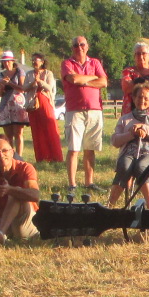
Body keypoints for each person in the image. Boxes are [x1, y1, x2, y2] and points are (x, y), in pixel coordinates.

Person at [61, 35, 108, 191]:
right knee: (74, 149)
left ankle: (89, 183)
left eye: (82, 44)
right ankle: (72, 185)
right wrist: (93, 78)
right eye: (76, 45)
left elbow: (104, 82)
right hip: (75, 111)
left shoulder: (95, 62)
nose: (79, 47)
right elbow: (73, 79)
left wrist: (84, 81)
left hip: (94, 110)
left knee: (90, 148)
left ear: (87, 46)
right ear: (72, 48)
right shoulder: (67, 63)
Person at [109, 82, 149, 208]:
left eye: (146, 98)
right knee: (124, 166)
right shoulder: (125, 119)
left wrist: (145, 128)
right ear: (134, 98)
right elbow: (115, 141)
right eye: (139, 97)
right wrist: (131, 134)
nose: (142, 100)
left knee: (141, 167)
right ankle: (110, 206)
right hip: (129, 153)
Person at [25, 52, 63, 163]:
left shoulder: (48, 73)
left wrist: (40, 81)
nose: (34, 62)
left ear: (42, 62)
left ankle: (55, 156)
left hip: (45, 102)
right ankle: (41, 157)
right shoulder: (29, 74)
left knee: (50, 128)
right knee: (37, 130)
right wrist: (33, 83)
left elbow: (50, 88)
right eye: (32, 60)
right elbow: (24, 87)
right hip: (33, 104)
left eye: (36, 60)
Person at [0, 51, 28, 158]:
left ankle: (19, 157)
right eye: (4, 62)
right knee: (8, 136)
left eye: (8, 61)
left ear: (13, 61)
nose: (6, 63)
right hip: (5, 105)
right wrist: (2, 85)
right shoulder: (0, 75)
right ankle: (10, 156)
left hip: (18, 105)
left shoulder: (19, 72)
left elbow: (22, 89)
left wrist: (10, 83)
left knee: (18, 133)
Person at [120, 42, 149, 113]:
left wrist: (137, 86)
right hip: (131, 112)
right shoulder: (128, 71)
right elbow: (126, 88)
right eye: (138, 54)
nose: (141, 56)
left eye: (144, 53)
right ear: (134, 57)